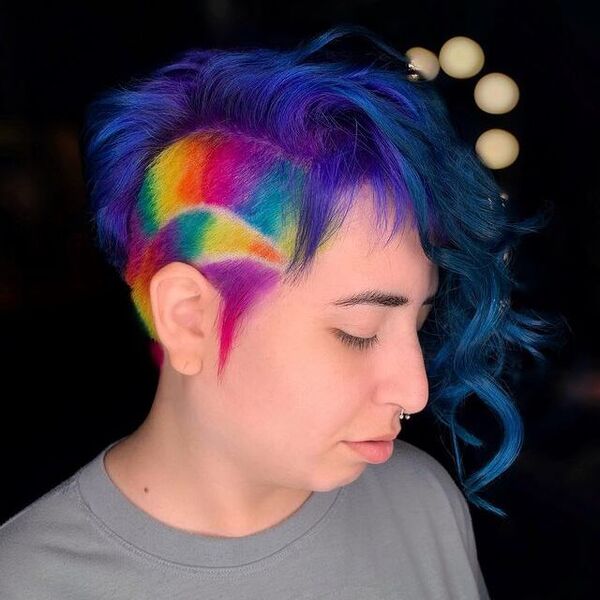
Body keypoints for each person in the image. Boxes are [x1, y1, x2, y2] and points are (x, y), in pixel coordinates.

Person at [0, 24, 559, 599]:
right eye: (358, 332)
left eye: (418, 323)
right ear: (190, 317)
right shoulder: (27, 582)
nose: (415, 391)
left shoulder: (422, 506)